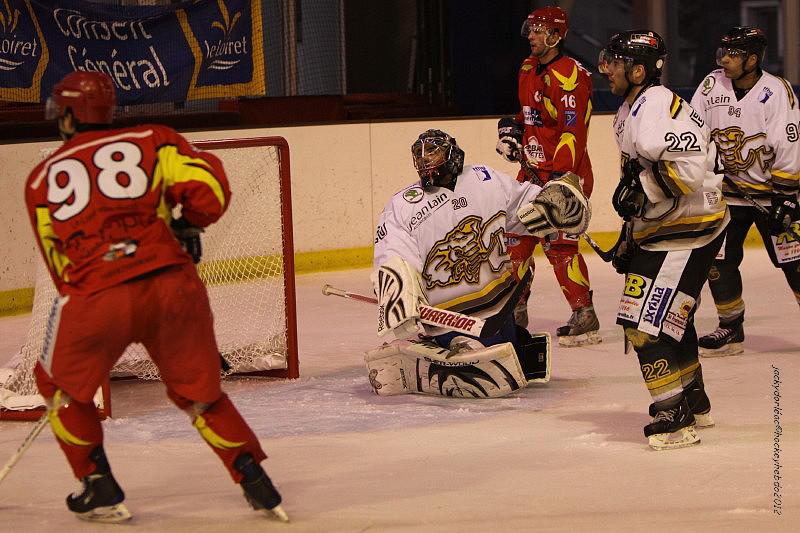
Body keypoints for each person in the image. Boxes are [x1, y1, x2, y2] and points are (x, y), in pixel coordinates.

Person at [24, 71, 287, 523]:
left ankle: (97, 484)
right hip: (172, 287)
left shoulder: (40, 179)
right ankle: (254, 479)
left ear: (67, 115)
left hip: (98, 297)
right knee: (201, 394)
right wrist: (187, 224)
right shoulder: (154, 139)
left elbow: (60, 265)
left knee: (56, 385)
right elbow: (211, 190)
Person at [366, 128, 590, 398]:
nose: (425, 159)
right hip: (450, 320)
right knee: (483, 357)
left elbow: (524, 205)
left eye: (433, 151)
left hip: (500, 311)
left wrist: (553, 204)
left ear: (451, 153)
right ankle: (440, 348)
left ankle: (453, 353)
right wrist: (397, 288)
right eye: (420, 154)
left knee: (509, 353)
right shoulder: (403, 205)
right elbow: (392, 253)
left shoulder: (484, 178)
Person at [598, 30, 730, 450]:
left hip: (687, 231)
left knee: (641, 325)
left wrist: (643, 190)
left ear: (639, 71)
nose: (608, 69)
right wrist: (630, 235)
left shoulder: (655, 104)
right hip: (670, 231)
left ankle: (673, 415)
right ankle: (693, 400)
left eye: (616, 62)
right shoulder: (633, 106)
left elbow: (689, 171)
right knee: (673, 319)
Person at [690, 26, 800, 357]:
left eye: (733, 54)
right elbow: (694, 129)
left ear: (752, 60)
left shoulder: (775, 90)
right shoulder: (711, 85)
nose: (724, 59)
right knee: (718, 260)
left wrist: (785, 196)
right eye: (722, 52)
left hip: (772, 195)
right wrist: (704, 169)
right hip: (727, 195)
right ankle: (731, 326)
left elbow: (789, 142)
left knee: (795, 262)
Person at [496, 5, 599, 347]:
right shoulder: (528, 67)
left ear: (556, 36)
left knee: (559, 246)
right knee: (515, 241)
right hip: (530, 173)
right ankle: (514, 311)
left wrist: (559, 178)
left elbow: (573, 132)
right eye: (530, 29)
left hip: (565, 177)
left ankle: (584, 312)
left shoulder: (571, 76)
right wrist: (513, 133)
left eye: (538, 30)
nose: (531, 35)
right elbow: (530, 115)